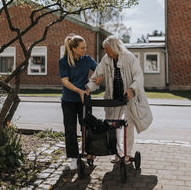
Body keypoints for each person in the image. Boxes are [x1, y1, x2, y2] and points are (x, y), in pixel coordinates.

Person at [86, 35, 153, 163]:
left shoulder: (129, 58)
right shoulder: (106, 60)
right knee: (113, 126)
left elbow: (138, 76)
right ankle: (117, 152)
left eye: (107, 49)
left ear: (114, 48)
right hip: (113, 98)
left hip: (128, 98)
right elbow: (96, 77)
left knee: (129, 125)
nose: (105, 51)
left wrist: (132, 89)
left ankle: (127, 154)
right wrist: (89, 88)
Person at [59, 34, 97, 170]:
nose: (85, 50)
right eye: (82, 48)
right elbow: (65, 81)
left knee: (86, 128)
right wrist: (79, 91)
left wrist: (95, 81)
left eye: (85, 47)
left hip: (85, 101)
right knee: (70, 130)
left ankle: (89, 154)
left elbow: (99, 71)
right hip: (69, 100)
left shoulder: (87, 60)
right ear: (74, 48)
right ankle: (73, 159)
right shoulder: (64, 61)